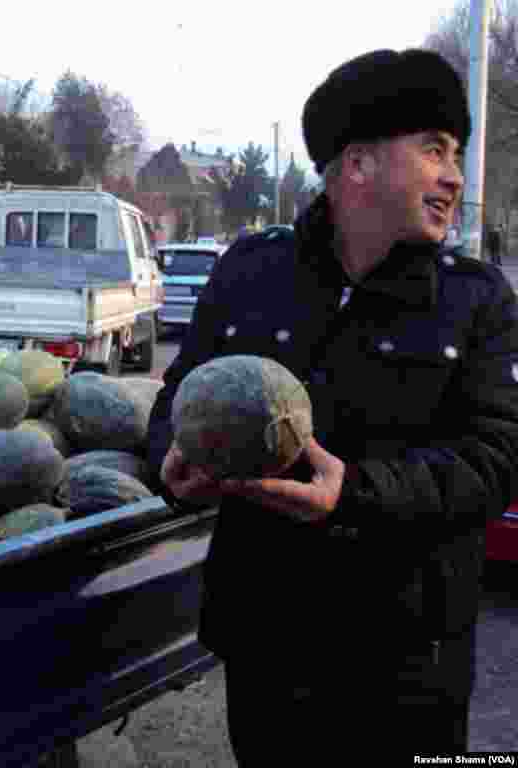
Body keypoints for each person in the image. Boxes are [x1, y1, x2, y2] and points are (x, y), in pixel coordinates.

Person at [146, 48, 518, 762]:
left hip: (410, 664)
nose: (454, 177)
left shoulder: (477, 299)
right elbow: (179, 396)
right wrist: (173, 458)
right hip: (270, 652)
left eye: (457, 154)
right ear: (358, 164)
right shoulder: (250, 273)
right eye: (435, 149)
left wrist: (355, 492)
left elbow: (496, 459)